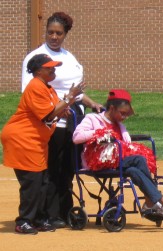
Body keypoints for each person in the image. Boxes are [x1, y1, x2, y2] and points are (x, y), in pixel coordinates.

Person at [21, 12, 102, 228]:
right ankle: (49, 214)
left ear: (65, 34)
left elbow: (75, 91)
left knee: (68, 169)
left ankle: (65, 211)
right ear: (45, 32)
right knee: (52, 169)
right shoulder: (36, 58)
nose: (54, 37)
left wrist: (92, 104)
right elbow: (31, 91)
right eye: (50, 32)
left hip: (73, 121)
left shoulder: (70, 58)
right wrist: (60, 105)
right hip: (53, 121)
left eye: (58, 33)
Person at [72, 89, 163, 218]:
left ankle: (153, 202)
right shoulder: (93, 118)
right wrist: (100, 132)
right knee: (138, 160)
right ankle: (160, 203)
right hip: (98, 161)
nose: (124, 117)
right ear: (112, 108)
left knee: (134, 170)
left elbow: (127, 145)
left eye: (126, 114)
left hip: (118, 161)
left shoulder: (120, 126)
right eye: (122, 113)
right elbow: (76, 137)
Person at [1, 54, 84, 234]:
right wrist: (69, 97)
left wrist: (64, 109)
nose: (53, 70)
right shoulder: (35, 87)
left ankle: (38, 219)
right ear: (39, 71)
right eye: (49, 67)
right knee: (32, 183)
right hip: (22, 139)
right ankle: (23, 221)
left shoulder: (48, 88)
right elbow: (47, 115)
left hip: (36, 141)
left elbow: (54, 112)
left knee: (43, 181)